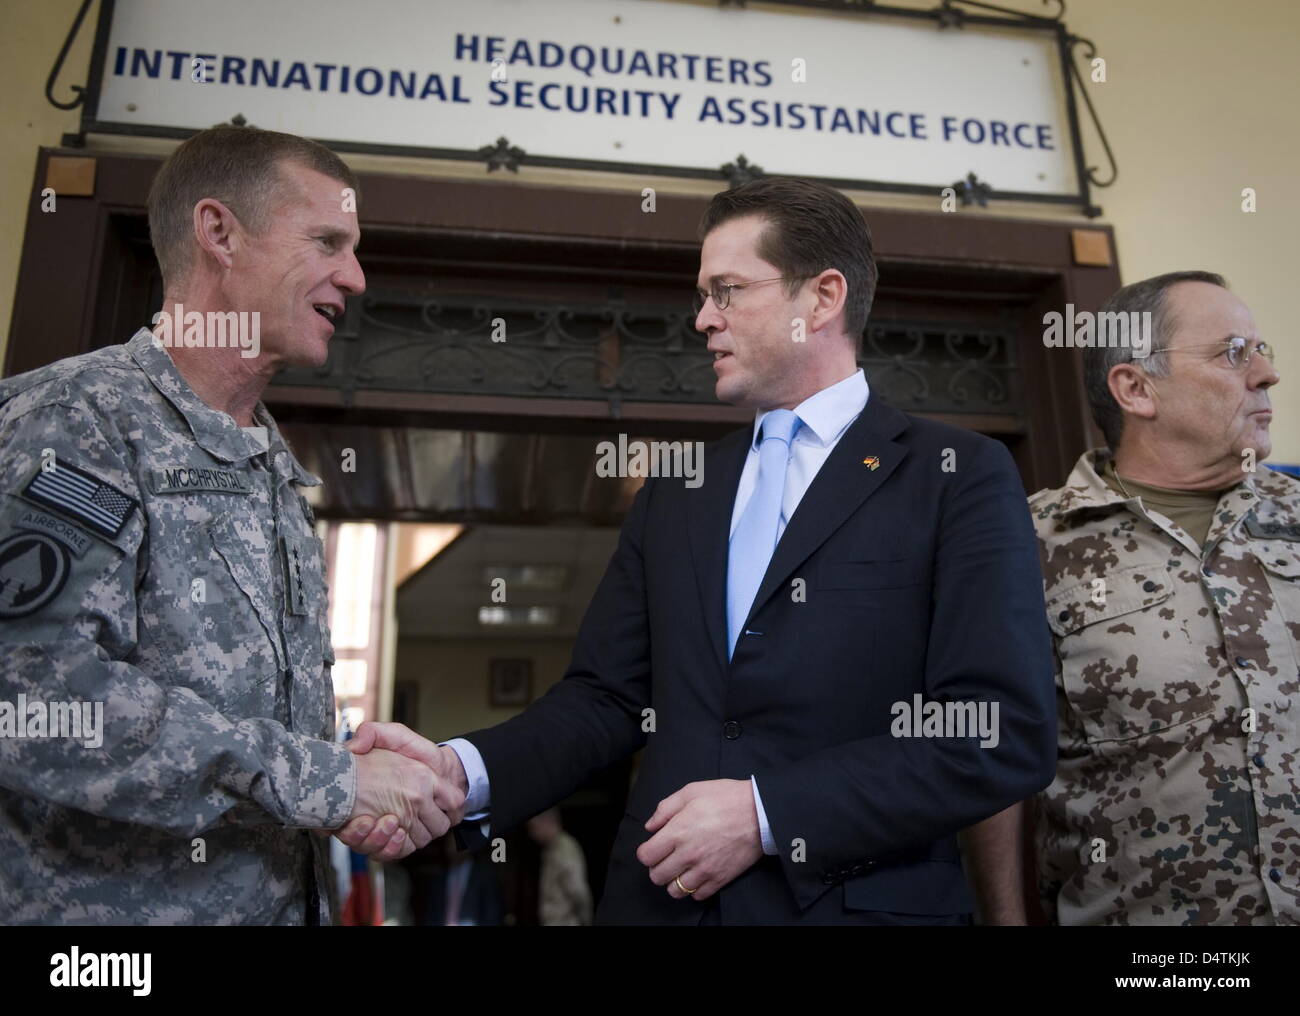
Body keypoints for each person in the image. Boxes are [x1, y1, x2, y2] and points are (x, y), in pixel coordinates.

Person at [340, 177, 1056, 924]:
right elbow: (605, 699)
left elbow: (997, 729)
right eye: (704, 294)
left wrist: (765, 813)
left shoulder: (955, 475)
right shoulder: (680, 488)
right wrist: (461, 770)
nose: (702, 319)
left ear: (822, 298)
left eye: (728, 290)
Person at [0, 124, 461, 925]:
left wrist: (352, 778)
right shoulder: (78, 417)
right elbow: (33, 697)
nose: (354, 276)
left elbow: (247, 716)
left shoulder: (270, 459)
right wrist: (327, 783)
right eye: (327, 241)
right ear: (219, 232)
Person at [975, 271, 1298, 925]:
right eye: (1235, 352)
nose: (1266, 374)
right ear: (1135, 388)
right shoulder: (1029, 544)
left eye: (1262, 350)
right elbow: (992, 765)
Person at [527, 808, 593, 925]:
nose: (532, 834)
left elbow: (578, 892)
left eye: (534, 828)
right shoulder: (549, 850)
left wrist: (586, 921)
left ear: (546, 823)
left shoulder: (565, 848)